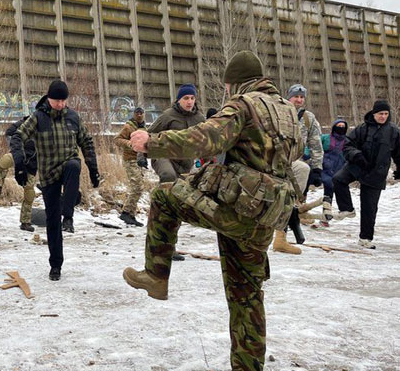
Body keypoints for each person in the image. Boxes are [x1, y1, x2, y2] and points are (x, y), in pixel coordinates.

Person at [123, 51, 303, 370]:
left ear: (234, 83)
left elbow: (205, 139)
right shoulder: (288, 110)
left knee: (165, 195)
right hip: (265, 218)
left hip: (237, 211)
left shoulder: (243, 104)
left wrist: (152, 142)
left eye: (228, 86)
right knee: (247, 299)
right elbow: (296, 152)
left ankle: (156, 275)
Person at [10, 80, 99, 281]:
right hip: (49, 174)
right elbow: (18, 137)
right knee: (52, 221)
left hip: (68, 165)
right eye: (56, 100)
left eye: (63, 101)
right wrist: (19, 164)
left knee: (74, 165)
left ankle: (68, 216)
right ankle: (55, 265)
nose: (60, 104)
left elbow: (86, 142)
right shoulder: (38, 118)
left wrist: (93, 169)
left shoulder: (73, 117)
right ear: (48, 98)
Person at [333, 100, 400, 249]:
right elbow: (347, 144)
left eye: (386, 114)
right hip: (357, 165)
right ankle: (347, 208)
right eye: (380, 113)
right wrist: (356, 155)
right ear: (374, 114)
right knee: (338, 179)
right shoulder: (363, 128)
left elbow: (399, 153)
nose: (383, 116)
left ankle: (365, 238)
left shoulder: (394, 131)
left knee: (369, 207)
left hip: (376, 173)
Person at [273, 84, 324, 255]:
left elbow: (316, 144)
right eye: (296, 96)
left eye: (302, 97)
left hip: (293, 164)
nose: (299, 100)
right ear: (289, 97)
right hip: (272, 160)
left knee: (300, 175)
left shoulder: (309, 119)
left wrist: (317, 168)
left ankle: (281, 235)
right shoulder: (276, 112)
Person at [0, 115, 38, 232]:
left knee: (29, 193)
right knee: (3, 162)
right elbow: (9, 132)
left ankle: (25, 222)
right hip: (18, 155)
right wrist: (15, 148)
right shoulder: (23, 123)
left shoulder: (47, 129)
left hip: (31, 163)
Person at [147, 83, 205, 182]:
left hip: (186, 161)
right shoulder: (168, 115)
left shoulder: (199, 118)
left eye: (192, 98)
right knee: (168, 176)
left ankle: (161, 196)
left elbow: (206, 139)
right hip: (164, 156)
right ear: (179, 100)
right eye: (186, 98)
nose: (189, 102)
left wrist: (210, 160)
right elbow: (149, 134)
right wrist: (141, 155)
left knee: (183, 187)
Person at [114, 107, 147, 226]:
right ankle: (126, 213)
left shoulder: (143, 128)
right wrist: (129, 143)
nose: (139, 115)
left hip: (139, 161)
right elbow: (117, 139)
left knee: (139, 188)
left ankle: (131, 215)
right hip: (130, 160)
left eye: (141, 113)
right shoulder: (128, 127)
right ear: (133, 114)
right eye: (137, 113)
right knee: (137, 187)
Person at [317, 119, 348, 227]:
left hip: (339, 170)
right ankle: (301, 210)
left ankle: (325, 217)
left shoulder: (347, 141)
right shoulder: (325, 138)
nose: (340, 128)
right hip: (324, 168)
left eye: (343, 126)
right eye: (338, 125)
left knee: (330, 191)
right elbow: (315, 146)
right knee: (327, 188)